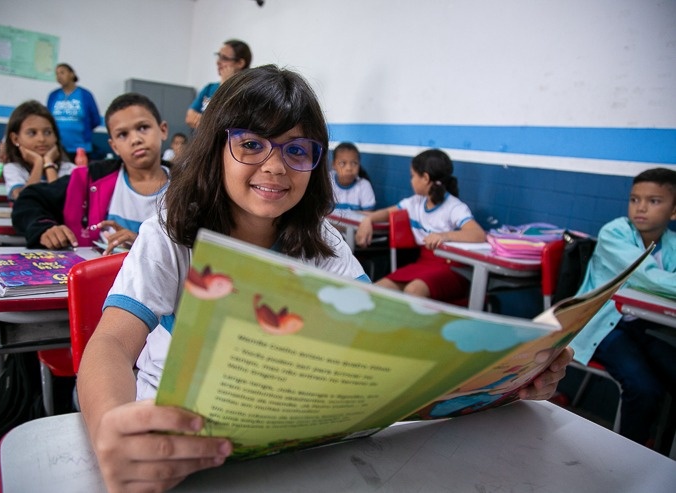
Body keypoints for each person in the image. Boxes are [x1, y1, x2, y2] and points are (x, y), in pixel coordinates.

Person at [75, 65, 573, 493]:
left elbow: (392, 343)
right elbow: (112, 345)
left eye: (297, 151)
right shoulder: (172, 231)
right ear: (215, 150)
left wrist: (505, 382)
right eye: (250, 144)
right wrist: (111, 434)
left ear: (316, 164)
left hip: (298, 452)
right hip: (180, 451)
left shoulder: (321, 241)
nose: (274, 166)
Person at [570, 167, 676, 447]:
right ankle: (631, 454)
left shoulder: (673, 244)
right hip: (603, 325)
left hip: (646, 326)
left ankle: (664, 453)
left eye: (654, 201)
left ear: (674, 211)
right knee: (644, 388)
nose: (641, 208)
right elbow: (648, 277)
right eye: (634, 199)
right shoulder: (614, 232)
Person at [12, 92, 172, 254]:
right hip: (98, 274)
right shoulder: (91, 179)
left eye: (143, 128)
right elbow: (28, 199)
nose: (135, 139)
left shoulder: (189, 186)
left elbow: (194, 250)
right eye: (122, 134)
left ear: (163, 130)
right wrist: (45, 228)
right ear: (114, 146)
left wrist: (140, 243)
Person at [355, 149, 487, 300]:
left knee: (413, 290)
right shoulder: (415, 202)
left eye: (413, 176)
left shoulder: (454, 206)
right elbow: (387, 212)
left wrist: (444, 236)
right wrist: (368, 220)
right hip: (423, 263)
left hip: (452, 268)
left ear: (425, 178)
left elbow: (478, 234)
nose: (411, 180)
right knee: (375, 291)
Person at [2, 100, 76, 201]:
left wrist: (48, 164)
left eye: (47, 132)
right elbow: (25, 203)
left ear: (55, 136)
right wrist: (38, 163)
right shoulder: (13, 169)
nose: (41, 139)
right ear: (15, 139)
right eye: (32, 133)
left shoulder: (70, 170)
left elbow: (60, 202)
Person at [185, 39, 252, 130]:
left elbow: (229, 124)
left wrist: (226, 84)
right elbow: (190, 118)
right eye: (218, 56)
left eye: (224, 58)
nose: (218, 62)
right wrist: (212, 122)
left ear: (240, 63)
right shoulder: (209, 88)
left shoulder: (248, 91)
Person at [47, 63, 103, 161]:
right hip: (57, 147)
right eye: (57, 74)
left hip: (80, 148)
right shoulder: (53, 95)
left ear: (72, 74)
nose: (59, 76)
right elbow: (47, 119)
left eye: (62, 72)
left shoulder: (85, 95)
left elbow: (96, 120)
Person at [331, 142, 376, 211]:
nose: (349, 168)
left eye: (354, 163)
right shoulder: (327, 182)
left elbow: (368, 215)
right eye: (342, 163)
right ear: (334, 165)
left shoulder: (364, 185)